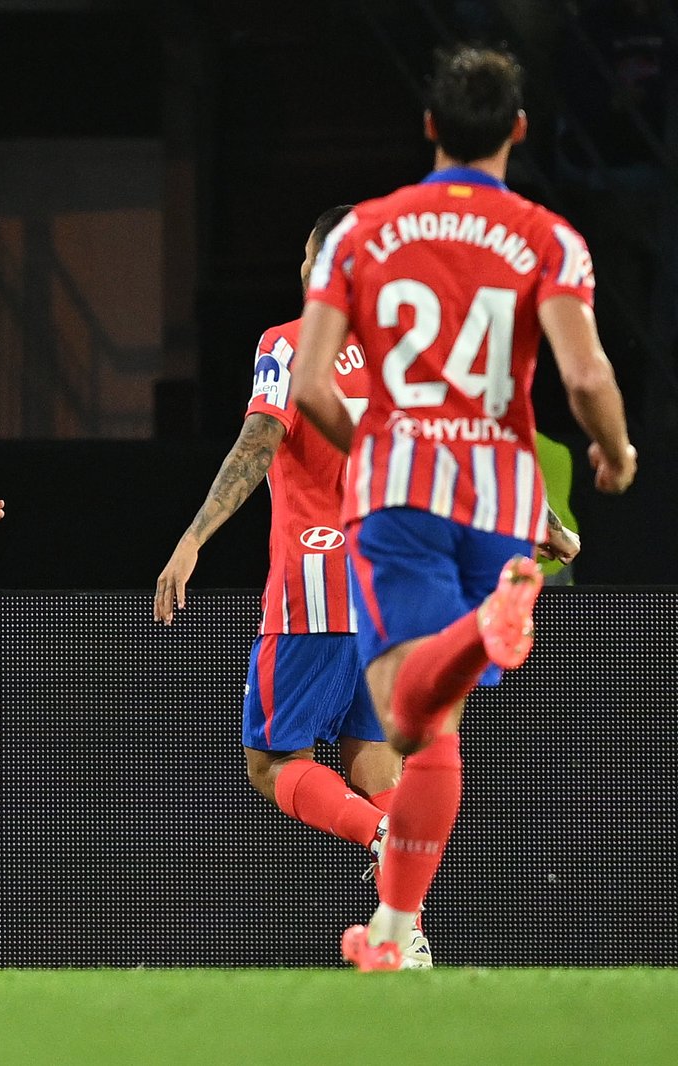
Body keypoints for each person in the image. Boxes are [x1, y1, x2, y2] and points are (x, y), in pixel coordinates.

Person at [292, 46, 637, 971]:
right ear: (519, 132)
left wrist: (377, 448)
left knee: (407, 716)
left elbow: (313, 380)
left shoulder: (362, 232)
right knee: (433, 725)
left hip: (402, 492)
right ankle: (396, 937)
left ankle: (485, 627)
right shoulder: (549, 237)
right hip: (501, 496)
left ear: (431, 127)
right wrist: (616, 446)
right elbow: (586, 372)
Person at [154, 206, 429, 962]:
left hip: (315, 582)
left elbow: (259, 436)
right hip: (392, 590)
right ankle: (402, 937)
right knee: (374, 758)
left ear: (313, 265)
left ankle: (380, 836)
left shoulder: (290, 343)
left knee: (271, 762)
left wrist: (193, 536)